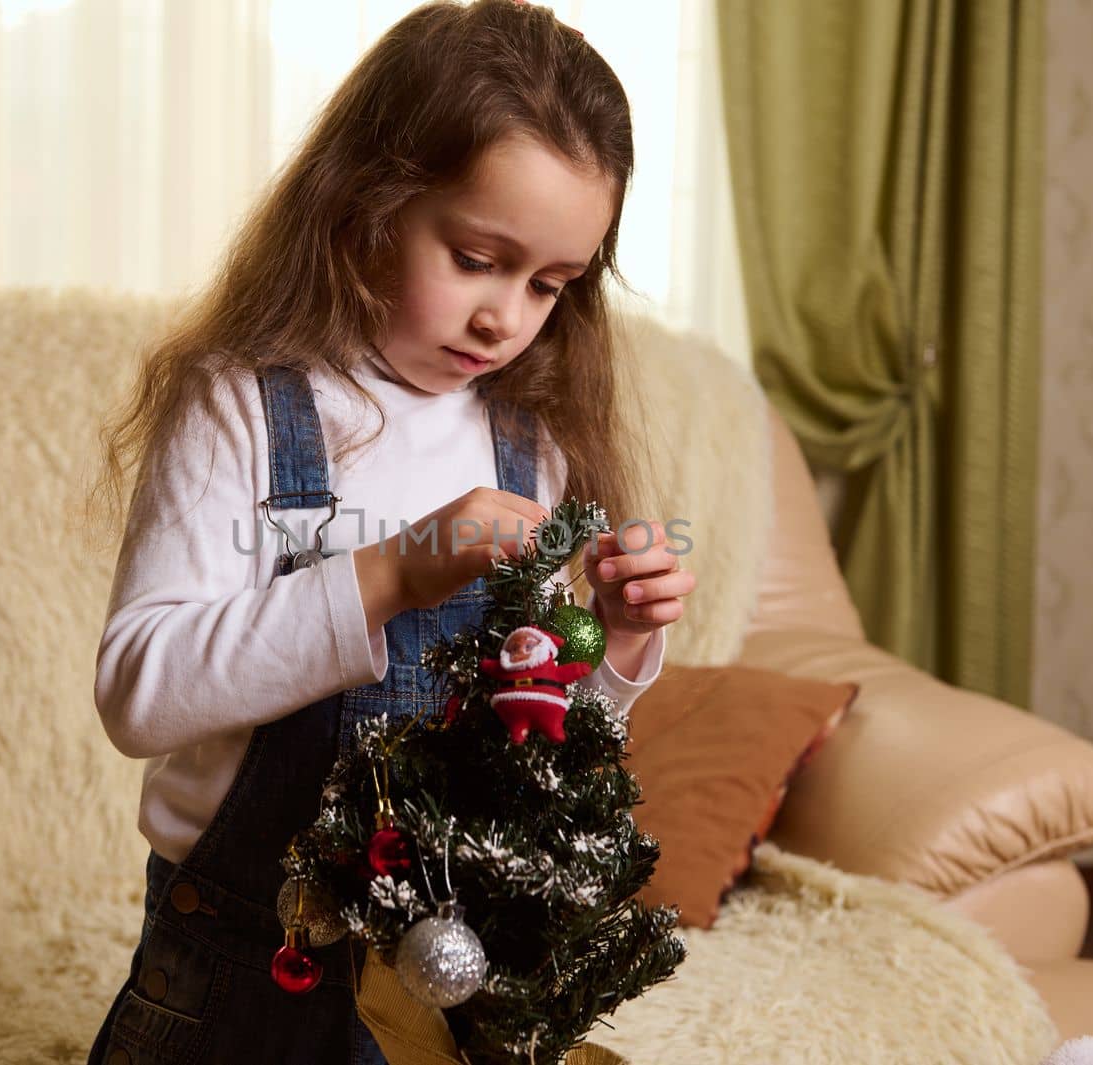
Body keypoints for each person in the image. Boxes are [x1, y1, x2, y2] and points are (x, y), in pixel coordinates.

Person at [82, 2, 696, 1062]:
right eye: (475, 258)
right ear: (367, 204)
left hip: (448, 982)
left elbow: (535, 765)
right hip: (242, 954)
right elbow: (140, 692)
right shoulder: (241, 407)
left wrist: (617, 640)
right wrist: (388, 574)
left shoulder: (527, 445)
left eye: (548, 284)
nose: (506, 316)